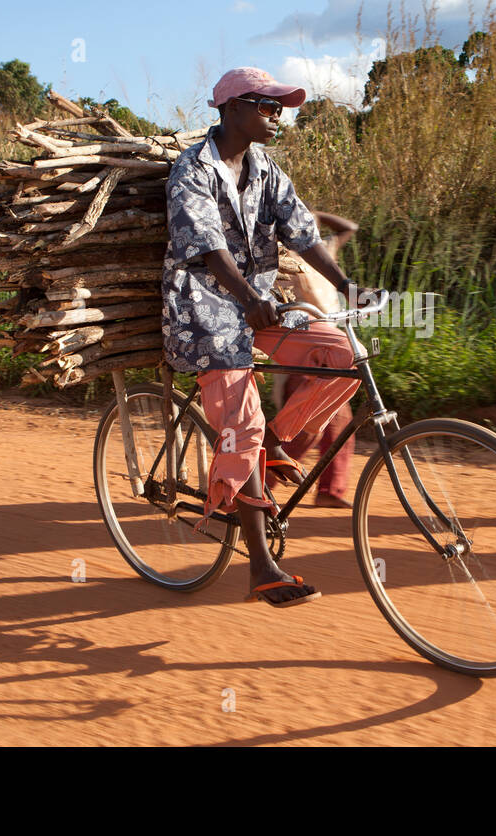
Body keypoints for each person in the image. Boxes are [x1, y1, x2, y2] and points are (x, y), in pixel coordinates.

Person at [162, 66, 373, 607]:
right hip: (205, 312)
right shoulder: (192, 169)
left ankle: (274, 443)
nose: (277, 116)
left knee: (340, 354)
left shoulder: (267, 170)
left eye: (279, 107)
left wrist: (347, 285)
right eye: (266, 105)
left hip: (258, 305)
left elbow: (303, 233)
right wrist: (248, 297)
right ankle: (260, 567)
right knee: (242, 422)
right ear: (232, 108)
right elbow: (209, 248)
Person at [273, 210, 360, 510]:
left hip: (331, 350)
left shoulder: (323, 251)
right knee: (304, 430)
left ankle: (329, 490)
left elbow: (351, 226)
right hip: (303, 351)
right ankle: (256, 483)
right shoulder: (284, 256)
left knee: (338, 423)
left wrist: (317, 214)